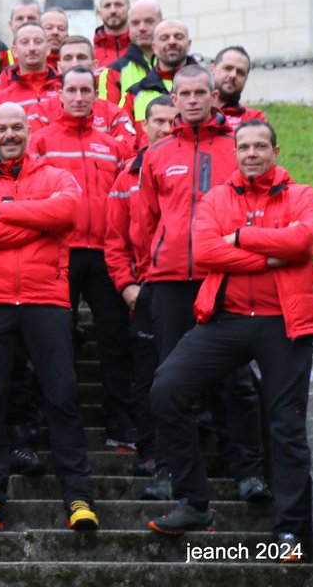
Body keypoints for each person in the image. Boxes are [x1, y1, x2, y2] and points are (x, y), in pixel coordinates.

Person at [148, 120, 313, 563]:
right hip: (224, 321)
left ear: (275, 152)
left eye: (260, 146)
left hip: (283, 323)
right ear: (236, 152)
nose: (251, 153)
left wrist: (241, 237)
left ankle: (290, 533)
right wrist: (272, 256)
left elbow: (303, 241)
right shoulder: (216, 197)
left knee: (285, 427)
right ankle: (194, 504)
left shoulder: (302, 195)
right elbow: (205, 251)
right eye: (243, 146)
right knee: (167, 387)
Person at [0, 103, 99, 534]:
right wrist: (39, 221)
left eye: (18, 126)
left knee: (62, 397)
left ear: (29, 131)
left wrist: (6, 210)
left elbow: (68, 214)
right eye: (3, 128)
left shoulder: (58, 177)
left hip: (47, 300)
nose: (10, 134)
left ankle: (78, 497)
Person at [137, 64, 268, 503]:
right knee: (169, 380)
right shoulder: (155, 155)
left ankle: (249, 471)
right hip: (172, 280)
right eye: (184, 94)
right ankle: (170, 471)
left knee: (238, 382)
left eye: (200, 93)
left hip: (227, 276)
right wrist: (150, 268)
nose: (192, 101)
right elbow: (146, 221)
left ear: (214, 97)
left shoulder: (237, 148)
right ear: (173, 99)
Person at [29, 67, 136, 451]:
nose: (78, 97)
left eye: (85, 90)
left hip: (105, 255)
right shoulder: (40, 141)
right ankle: (48, 426)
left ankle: (121, 427)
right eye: (71, 90)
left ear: (95, 96)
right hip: (58, 254)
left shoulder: (111, 144)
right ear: (59, 95)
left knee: (115, 342)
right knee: (55, 343)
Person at [105, 96, 180, 483]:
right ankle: (151, 453)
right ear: (144, 127)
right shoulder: (126, 179)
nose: (166, 129)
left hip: (186, 288)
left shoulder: (189, 171)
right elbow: (114, 240)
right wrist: (126, 285)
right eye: (159, 122)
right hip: (146, 291)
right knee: (146, 375)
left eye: (173, 122)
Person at [0, 22, 61, 130]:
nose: (32, 48)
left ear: (48, 49)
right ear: (14, 51)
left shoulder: (64, 90)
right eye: (25, 42)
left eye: (38, 42)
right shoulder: (1, 99)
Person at [99, 0, 163, 105]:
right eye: (135, 23)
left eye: (149, 21)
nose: (142, 28)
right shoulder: (112, 73)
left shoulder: (182, 66)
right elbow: (108, 117)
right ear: (128, 26)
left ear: (162, 23)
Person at [209, 45, 267, 130]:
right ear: (212, 70)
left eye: (240, 72)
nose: (233, 75)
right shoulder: (192, 111)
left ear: (246, 79)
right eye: (228, 68)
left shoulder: (254, 120)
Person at [93, 0, 131, 67]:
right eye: (107, 6)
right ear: (99, 13)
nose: (113, 11)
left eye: (118, 5)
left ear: (129, 10)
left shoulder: (143, 49)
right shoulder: (90, 55)